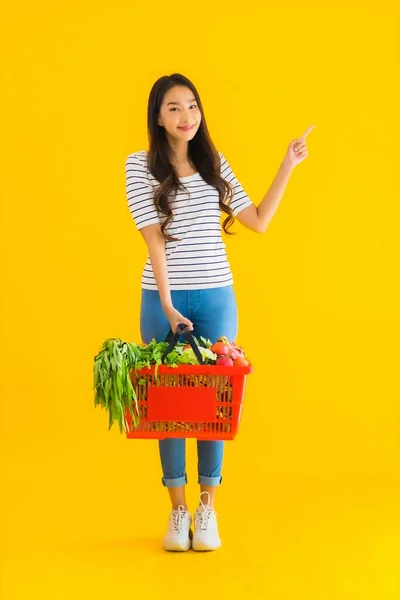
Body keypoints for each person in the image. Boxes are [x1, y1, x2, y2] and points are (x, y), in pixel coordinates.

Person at [125, 72, 314, 552]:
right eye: (174, 108)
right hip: (162, 299)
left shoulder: (214, 164)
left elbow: (258, 221)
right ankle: (177, 511)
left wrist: (287, 165)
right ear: (158, 116)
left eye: (192, 105)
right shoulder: (138, 166)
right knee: (168, 409)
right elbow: (154, 241)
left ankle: (207, 509)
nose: (186, 116)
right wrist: (168, 306)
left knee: (214, 406)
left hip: (217, 298)